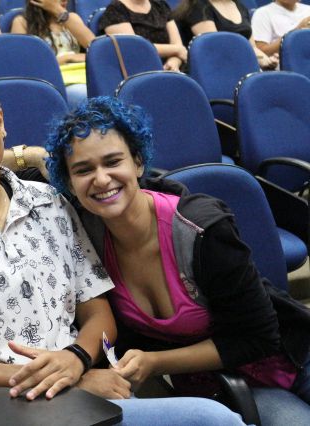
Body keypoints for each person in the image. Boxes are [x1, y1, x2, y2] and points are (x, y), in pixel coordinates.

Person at [0, 58, 247, 424]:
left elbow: (99, 315)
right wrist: (63, 378)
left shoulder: (50, 203)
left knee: (216, 419)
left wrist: (76, 358)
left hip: (83, 393)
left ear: (1, 120)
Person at [45, 96, 310, 425]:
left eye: (113, 161)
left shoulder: (200, 227)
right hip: (219, 385)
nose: (101, 179)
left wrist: (156, 363)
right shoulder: (86, 237)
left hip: (289, 357)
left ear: (138, 163)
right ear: (70, 184)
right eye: (84, 170)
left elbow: (260, 337)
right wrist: (25, 155)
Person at [11, 0, 95, 107]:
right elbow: (24, 66)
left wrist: (60, 13)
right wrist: (67, 58)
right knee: (87, 97)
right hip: (52, 82)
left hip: (81, 76)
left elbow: (95, 48)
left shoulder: (72, 18)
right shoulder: (22, 22)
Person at [172, 0, 278, 69]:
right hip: (211, 70)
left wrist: (266, 60)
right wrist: (253, 59)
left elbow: (251, 48)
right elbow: (217, 49)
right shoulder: (198, 6)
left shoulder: (240, 6)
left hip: (239, 66)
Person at [98, 0, 187, 71]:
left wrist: (174, 62)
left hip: (171, 69)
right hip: (139, 71)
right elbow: (135, 48)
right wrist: (177, 50)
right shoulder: (115, 10)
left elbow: (177, 44)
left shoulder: (161, 5)